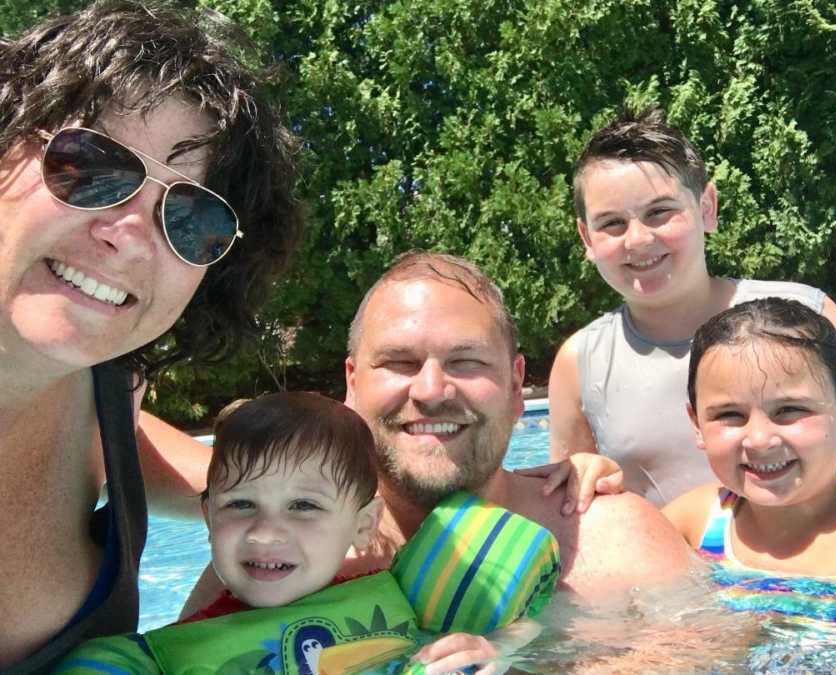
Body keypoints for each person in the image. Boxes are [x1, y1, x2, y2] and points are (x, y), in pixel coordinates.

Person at [182, 251, 697, 670]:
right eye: (399, 363)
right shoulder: (273, 556)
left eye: (466, 361)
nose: (431, 391)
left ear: (517, 385)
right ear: (352, 383)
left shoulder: (617, 539)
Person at [0, 0, 301, 670]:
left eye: (191, 216)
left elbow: (126, 441)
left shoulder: (110, 384)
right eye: (91, 165)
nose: (130, 236)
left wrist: (280, 499)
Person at [57, 392, 560, 673]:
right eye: (240, 504)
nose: (265, 531)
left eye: (303, 506)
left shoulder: (405, 599)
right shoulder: (170, 655)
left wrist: (495, 651)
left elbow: (527, 634)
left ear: (363, 525)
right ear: (208, 518)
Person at [548, 108, 836, 507]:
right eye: (611, 223)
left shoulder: (805, 316)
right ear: (587, 238)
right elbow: (571, 503)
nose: (639, 239)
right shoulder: (580, 362)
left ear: (707, 208)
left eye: (660, 212)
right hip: (672, 563)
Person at [662, 297, 836, 578]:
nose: (760, 439)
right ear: (698, 425)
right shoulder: (693, 525)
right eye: (730, 414)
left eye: (789, 409)